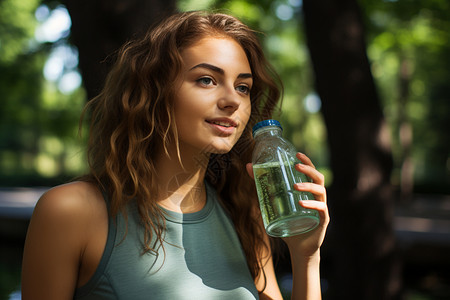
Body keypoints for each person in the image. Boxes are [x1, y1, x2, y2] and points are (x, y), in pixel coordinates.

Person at [21, 10, 329, 300]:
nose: (232, 100)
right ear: (154, 90)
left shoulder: (242, 213)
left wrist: (306, 256)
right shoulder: (71, 212)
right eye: (207, 79)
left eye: (243, 87)